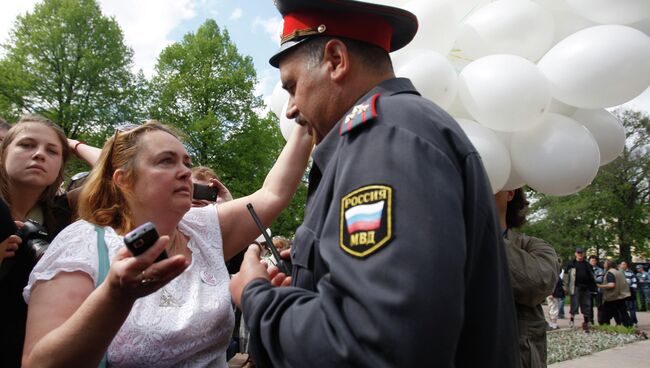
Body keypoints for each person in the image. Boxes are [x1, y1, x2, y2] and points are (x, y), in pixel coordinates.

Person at [230, 1, 520, 367]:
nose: (290, 108)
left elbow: (374, 343)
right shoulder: (396, 130)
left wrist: (255, 296)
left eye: (292, 86)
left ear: (336, 59)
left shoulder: (384, 141)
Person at [22, 120, 312, 367]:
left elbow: (273, 193)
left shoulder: (203, 228)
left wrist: (303, 117)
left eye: (186, 162)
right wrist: (115, 295)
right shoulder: (82, 243)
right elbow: (39, 363)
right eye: (166, 161)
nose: (186, 171)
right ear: (124, 180)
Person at [0, 114, 73, 367]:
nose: (39, 154)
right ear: (3, 153)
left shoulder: (65, 213)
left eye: (52, 151)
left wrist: (71, 145)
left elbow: (125, 172)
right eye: (26, 145)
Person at [496, 188, 559, 367]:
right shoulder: (452, 241)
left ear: (510, 192)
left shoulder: (535, 247)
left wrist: (483, 232)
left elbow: (538, 284)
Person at [563, 247, 596, 330]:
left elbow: (592, 276)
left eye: (581, 253)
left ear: (583, 254)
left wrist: (593, 287)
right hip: (575, 287)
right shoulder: (571, 264)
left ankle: (586, 322)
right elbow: (566, 276)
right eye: (578, 253)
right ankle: (572, 320)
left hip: (586, 288)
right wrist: (565, 287)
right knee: (574, 304)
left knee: (586, 305)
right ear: (575, 254)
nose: (580, 254)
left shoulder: (587, 265)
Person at [597, 260, 632, 327]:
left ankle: (604, 326)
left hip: (612, 297)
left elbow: (611, 285)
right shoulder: (618, 272)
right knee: (623, 313)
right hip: (620, 295)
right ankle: (628, 326)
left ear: (608, 265)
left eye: (605, 263)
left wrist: (599, 286)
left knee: (604, 314)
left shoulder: (610, 273)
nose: (604, 264)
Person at [620, 260, 638, 326]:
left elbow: (634, 282)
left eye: (624, 264)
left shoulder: (631, 273)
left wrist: (632, 290)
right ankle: (623, 321)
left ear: (626, 265)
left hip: (630, 292)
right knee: (622, 308)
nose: (623, 265)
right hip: (621, 293)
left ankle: (634, 321)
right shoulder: (619, 273)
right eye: (622, 264)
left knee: (631, 308)